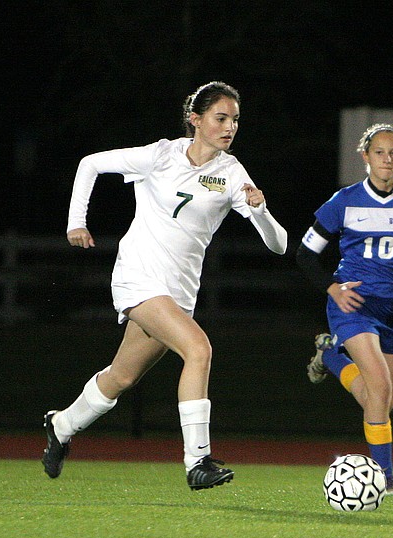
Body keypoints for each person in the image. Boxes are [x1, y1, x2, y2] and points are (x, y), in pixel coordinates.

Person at [43, 81, 288, 490]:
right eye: (220, 118)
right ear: (196, 119)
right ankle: (198, 461)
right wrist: (75, 223)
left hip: (178, 293)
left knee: (121, 378)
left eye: (235, 120)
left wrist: (260, 211)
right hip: (138, 277)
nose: (229, 127)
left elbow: (279, 244)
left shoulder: (231, 173)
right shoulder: (160, 155)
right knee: (198, 349)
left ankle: (61, 426)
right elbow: (90, 164)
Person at [296, 123, 393, 495]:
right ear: (365, 157)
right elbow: (305, 255)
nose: (387, 159)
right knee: (379, 386)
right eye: (379, 152)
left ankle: (331, 357)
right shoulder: (343, 201)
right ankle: (385, 478)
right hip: (353, 304)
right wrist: (333, 288)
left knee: (383, 400)